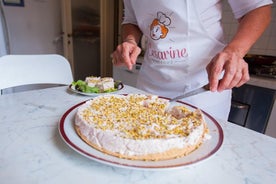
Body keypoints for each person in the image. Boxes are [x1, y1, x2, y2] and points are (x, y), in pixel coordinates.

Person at [112, 0, 272, 120]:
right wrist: (130, 40)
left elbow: (258, 8)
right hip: (150, 87)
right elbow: (131, 20)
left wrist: (235, 51)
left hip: (201, 89)